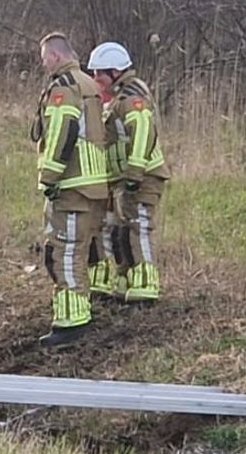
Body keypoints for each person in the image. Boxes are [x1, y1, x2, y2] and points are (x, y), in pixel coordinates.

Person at [29, 32, 110, 345]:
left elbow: (62, 133)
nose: (43, 65)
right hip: (92, 184)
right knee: (79, 249)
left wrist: (48, 177)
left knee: (64, 253)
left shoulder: (63, 88)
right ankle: (78, 312)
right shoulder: (87, 83)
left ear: (55, 56)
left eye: (44, 59)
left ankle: (72, 322)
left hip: (72, 185)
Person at [86, 41, 170, 304]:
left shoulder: (132, 98)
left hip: (142, 177)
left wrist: (135, 173)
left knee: (137, 228)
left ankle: (146, 286)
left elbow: (142, 133)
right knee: (119, 232)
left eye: (99, 73)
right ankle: (124, 283)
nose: (95, 79)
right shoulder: (116, 99)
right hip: (123, 180)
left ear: (115, 71)